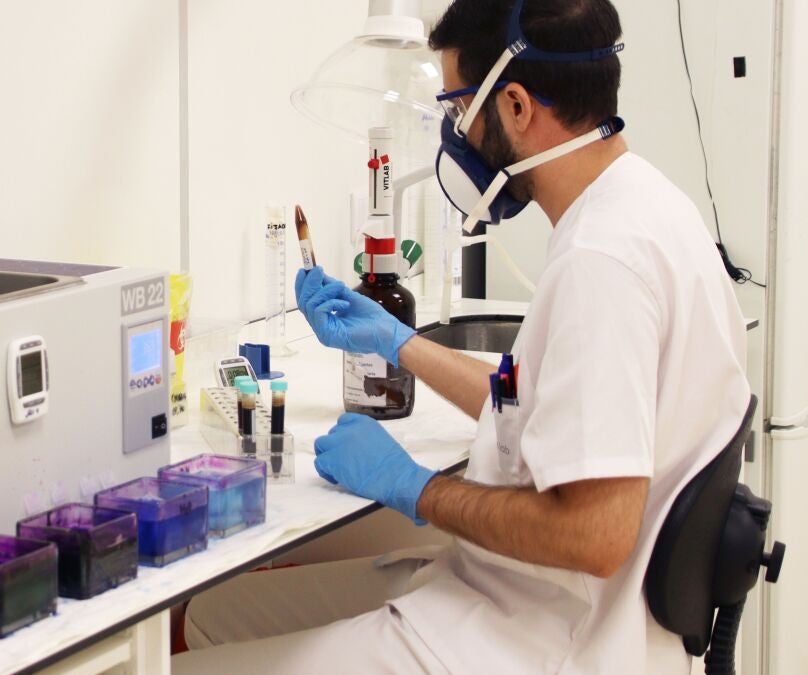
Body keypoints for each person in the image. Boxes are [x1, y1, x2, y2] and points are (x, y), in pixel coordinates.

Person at [173, 0, 750, 672]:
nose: (453, 133)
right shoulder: (649, 205)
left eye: (456, 109)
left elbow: (595, 535)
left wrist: (415, 487)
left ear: (515, 106)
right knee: (216, 613)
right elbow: (534, 402)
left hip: (544, 638)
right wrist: (397, 341)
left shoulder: (601, 261)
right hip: (516, 593)